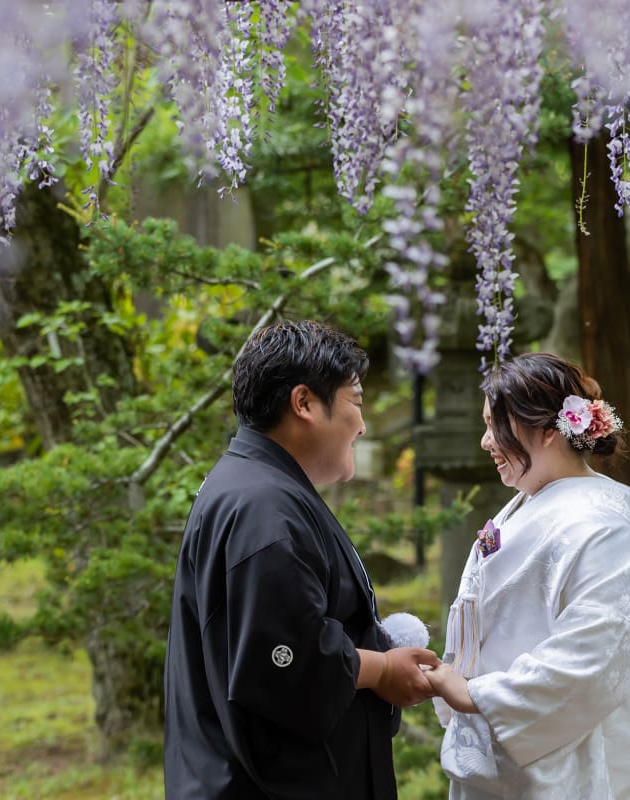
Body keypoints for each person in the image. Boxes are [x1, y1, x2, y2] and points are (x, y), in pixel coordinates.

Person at [164, 320, 439, 800]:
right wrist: (381, 669)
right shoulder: (262, 509)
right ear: (305, 403)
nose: (363, 422)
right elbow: (289, 665)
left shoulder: (253, 487)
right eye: (355, 401)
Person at [425, 352, 630, 800]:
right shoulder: (528, 507)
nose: (487, 441)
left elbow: (592, 656)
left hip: (557, 761)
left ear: (548, 431)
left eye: (495, 426)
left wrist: (476, 695)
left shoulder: (598, 528)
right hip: (499, 746)